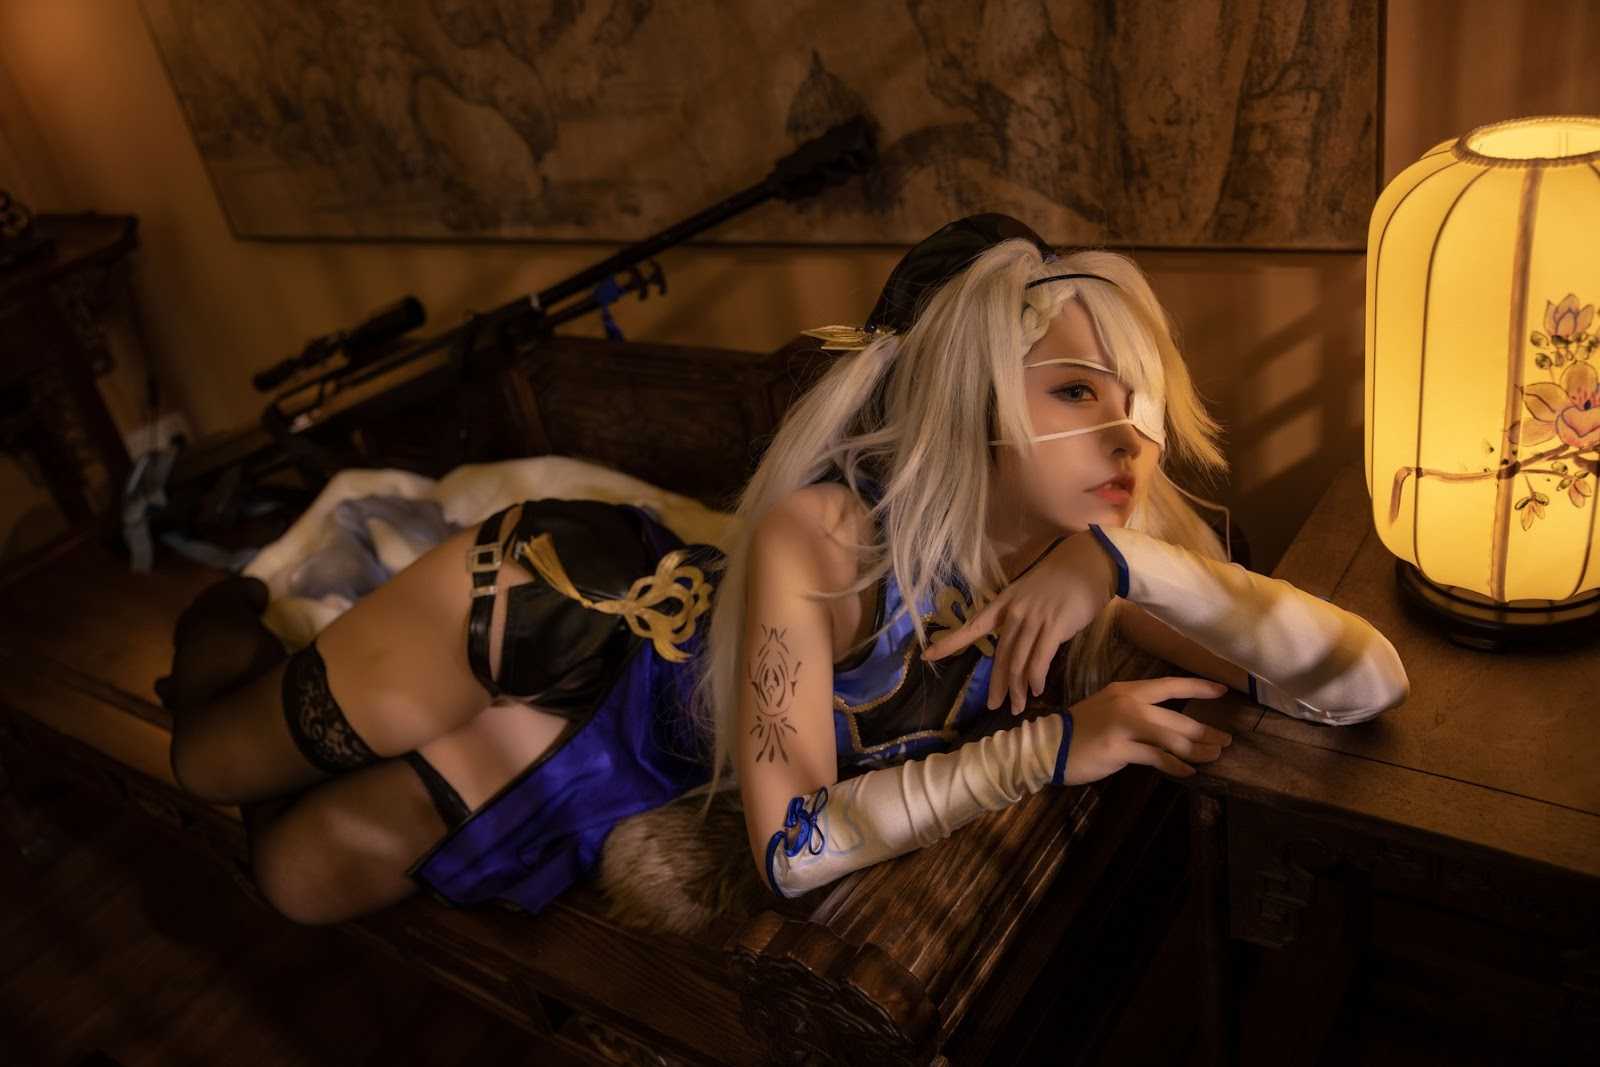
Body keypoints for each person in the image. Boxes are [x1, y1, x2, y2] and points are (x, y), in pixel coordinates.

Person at [157, 213, 1410, 925]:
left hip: (637, 749)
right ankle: (228, 630)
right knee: (206, 760)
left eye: (1139, 401)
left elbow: (1365, 685)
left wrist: (1123, 563)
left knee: (296, 879)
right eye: (1076, 391)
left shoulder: (1120, 553)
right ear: (972, 398)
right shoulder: (822, 533)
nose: (1127, 434)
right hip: (561, 606)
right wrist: (1052, 745)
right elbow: (791, 847)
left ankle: (341, 701)